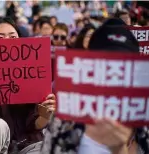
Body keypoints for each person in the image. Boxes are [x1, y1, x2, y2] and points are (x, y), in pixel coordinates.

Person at [41, 18, 149, 154]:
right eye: (105, 64)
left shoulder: (144, 126)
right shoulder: (64, 123)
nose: (113, 76)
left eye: (122, 66)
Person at [0, 17, 55, 154]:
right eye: (0, 38)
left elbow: (35, 125)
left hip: (28, 145)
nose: (7, 42)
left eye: (12, 37)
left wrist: (45, 113)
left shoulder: (33, 73)